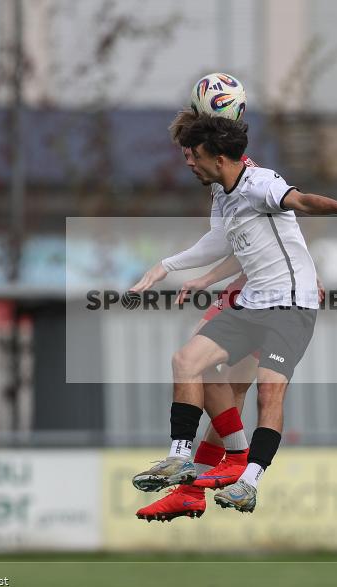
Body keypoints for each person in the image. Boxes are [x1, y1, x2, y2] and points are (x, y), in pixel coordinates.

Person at [132, 115, 337, 513]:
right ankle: (181, 457)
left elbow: (299, 200)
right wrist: (167, 267)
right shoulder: (223, 194)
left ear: (220, 157)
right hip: (250, 302)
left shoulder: (260, 184)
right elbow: (219, 242)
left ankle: (248, 479)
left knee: (267, 390)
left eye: (194, 155)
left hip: (291, 304)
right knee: (188, 362)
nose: (189, 162)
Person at [130, 110, 260, 522]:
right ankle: (193, 489)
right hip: (255, 289)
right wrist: (195, 274)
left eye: (191, 153)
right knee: (226, 393)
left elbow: (283, 223)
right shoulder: (226, 184)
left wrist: (169, 266)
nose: (188, 161)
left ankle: (213, 461)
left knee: (200, 368)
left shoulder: (248, 180)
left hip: (260, 293)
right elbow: (232, 241)